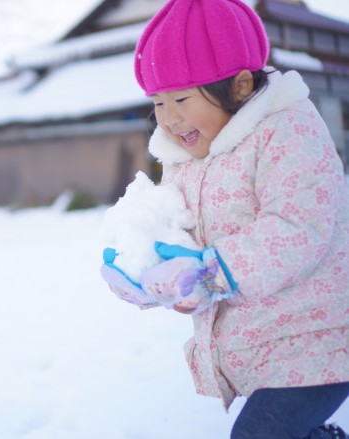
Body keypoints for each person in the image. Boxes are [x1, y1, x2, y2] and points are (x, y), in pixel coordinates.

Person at [100, 0, 349, 437]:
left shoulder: (287, 131)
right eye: (157, 103)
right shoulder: (185, 159)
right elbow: (184, 243)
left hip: (322, 336)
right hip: (259, 344)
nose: (169, 119)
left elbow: (297, 227)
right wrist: (148, 273)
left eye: (180, 99)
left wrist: (208, 274)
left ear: (238, 87)